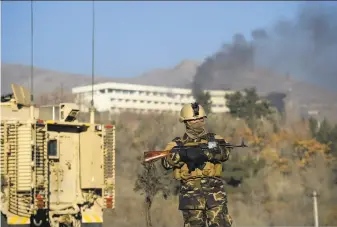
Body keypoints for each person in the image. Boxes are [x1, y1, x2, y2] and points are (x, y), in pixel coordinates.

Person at [161, 102, 233, 227]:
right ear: (185, 122)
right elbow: (165, 162)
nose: (198, 122)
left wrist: (209, 153)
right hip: (190, 196)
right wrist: (182, 155)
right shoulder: (177, 144)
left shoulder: (215, 139)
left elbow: (225, 153)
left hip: (215, 193)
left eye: (200, 119)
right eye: (193, 120)